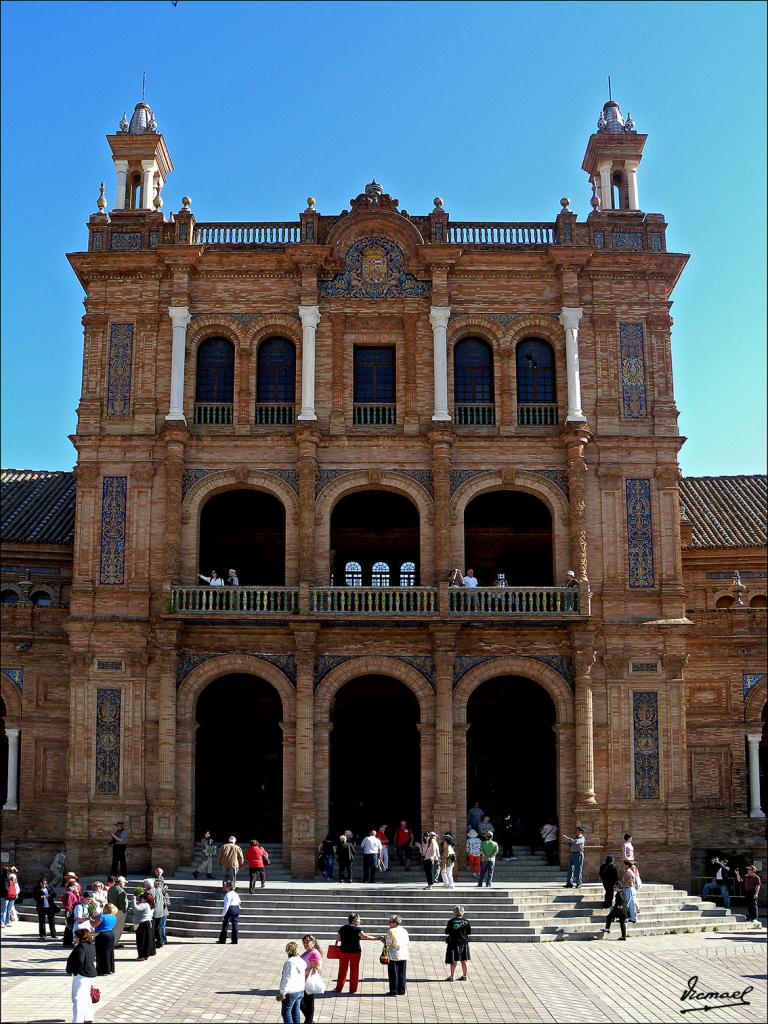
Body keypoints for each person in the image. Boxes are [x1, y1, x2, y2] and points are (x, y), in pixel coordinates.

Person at [332, 913, 380, 993]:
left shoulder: (343, 928)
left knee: (342, 970)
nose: (360, 920)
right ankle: (353, 989)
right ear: (354, 921)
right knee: (354, 970)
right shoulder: (358, 929)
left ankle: (339, 988)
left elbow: (338, 938)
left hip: (343, 952)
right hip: (355, 952)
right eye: (359, 919)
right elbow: (365, 937)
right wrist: (376, 938)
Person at [66, 923, 97, 1023]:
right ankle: (88, 1018)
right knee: (87, 997)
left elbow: (79, 960)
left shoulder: (80, 947)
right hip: (90, 974)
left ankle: (77, 1020)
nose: (75, 938)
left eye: (76, 937)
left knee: (77, 998)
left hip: (81, 975)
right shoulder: (91, 946)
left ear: (80, 938)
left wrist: (74, 970)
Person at [278, 941, 306, 1024]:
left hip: (291, 992)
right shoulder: (301, 960)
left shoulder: (290, 962)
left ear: (287, 950)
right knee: (295, 1012)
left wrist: (283, 992)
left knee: (286, 1012)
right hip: (300, 990)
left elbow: (287, 978)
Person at [382, 914, 410, 996]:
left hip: (393, 955)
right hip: (404, 953)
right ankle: (401, 990)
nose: (389, 924)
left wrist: (383, 940)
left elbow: (388, 943)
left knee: (393, 973)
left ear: (394, 923)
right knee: (402, 973)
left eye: (390, 922)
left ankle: (393, 990)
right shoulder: (404, 930)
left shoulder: (391, 931)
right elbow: (407, 942)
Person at [299, 933, 323, 1024]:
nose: (305, 944)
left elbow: (317, 968)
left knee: (307, 1003)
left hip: (308, 982)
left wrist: (301, 973)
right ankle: (310, 1019)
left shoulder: (314, 953)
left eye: (307, 942)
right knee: (303, 1003)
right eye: (303, 942)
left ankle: (309, 1020)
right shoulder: (308, 951)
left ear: (313, 943)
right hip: (302, 982)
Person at [444, 905, 471, 980]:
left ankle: (452, 976)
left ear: (454, 912)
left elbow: (446, 932)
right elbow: (468, 932)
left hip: (453, 943)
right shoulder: (466, 921)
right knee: (464, 960)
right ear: (462, 912)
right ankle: (465, 976)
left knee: (453, 960)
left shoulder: (451, 921)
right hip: (463, 943)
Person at [131, 889, 156, 961]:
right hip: (146, 923)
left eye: (140, 898)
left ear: (144, 899)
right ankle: (145, 955)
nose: (139, 898)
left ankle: (141, 956)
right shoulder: (148, 904)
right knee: (146, 940)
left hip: (142, 924)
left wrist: (133, 899)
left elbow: (135, 909)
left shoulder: (144, 904)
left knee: (141, 940)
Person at [94, 902, 117, 975]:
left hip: (102, 935)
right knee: (109, 951)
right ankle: (110, 969)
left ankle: (101, 970)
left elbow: (94, 925)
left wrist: (90, 920)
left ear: (106, 909)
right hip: (111, 933)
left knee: (101, 952)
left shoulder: (102, 917)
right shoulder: (114, 916)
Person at [34, 875, 58, 939]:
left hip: (50, 907)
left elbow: (55, 894)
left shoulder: (49, 887)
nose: (44, 885)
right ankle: (42, 935)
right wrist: (42, 897)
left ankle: (53, 934)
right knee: (42, 921)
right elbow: (35, 897)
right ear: (40, 883)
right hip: (41, 907)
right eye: (42, 883)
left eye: (45, 883)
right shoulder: (37, 889)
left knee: (52, 921)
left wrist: (51, 894)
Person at [107, 876, 128, 947]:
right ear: (120, 882)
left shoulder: (110, 889)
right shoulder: (121, 891)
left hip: (112, 910)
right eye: (124, 882)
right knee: (118, 928)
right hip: (120, 911)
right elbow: (123, 903)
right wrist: (124, 910)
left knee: (113, 927)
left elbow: (108, 900)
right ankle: (114, 943)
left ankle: (111, 942)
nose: (125, 884)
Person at [61, 878, 81, 947]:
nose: (77, 887)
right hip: (71, 912)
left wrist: (77, 894)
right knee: (69, 927)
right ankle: (67, 943)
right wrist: (70, 913)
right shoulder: (69, 893)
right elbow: (68, 905)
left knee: (69, 927)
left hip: (72, 911)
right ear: (72, 886)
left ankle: (68, 942)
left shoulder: (72, 893)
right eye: (76, 886)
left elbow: (78, 902)